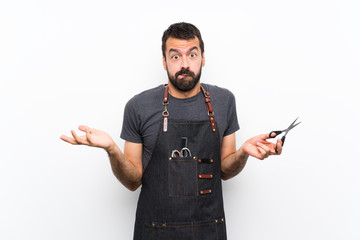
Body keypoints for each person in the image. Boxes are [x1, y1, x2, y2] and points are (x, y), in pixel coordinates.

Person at [60, 22, 283, 240]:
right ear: (165, 62)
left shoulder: (224, 101)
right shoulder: (139, 106)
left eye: (192, 55)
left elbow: (224, 170)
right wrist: (111, 150)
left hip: (209, 230)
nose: (184, 64)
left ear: (203, 58)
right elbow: (132, 181)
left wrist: (243, 152)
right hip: (155, 230)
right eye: (175, 56)